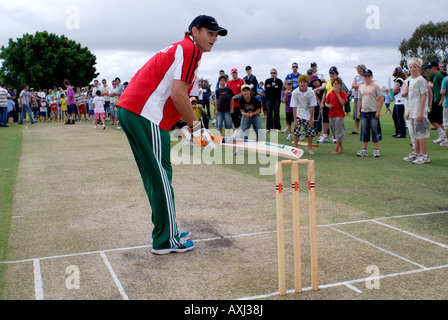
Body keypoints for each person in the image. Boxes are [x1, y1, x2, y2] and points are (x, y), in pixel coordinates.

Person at [117, 15, 227, 255]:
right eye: (210, 33)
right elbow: (179, 94)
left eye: (217, 35)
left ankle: (168, 230)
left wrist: (182, 126)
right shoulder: (190, 50)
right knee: (161, 179)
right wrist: (198, 129)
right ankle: (165, 240)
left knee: (159, 175)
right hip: (144, 114)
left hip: (135, 111)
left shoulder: (182, 48)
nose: (214, 38)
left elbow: (169, 92)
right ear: (195, 31)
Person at [402, 58, 431, 164]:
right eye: (410, 67)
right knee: (415, 134)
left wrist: (421, 112)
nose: (412, 69)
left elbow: (424, 95)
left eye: (414, 66)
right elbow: (411, 97)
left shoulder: (420, 80)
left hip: (420, 111)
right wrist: (409, 110)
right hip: (413, 110)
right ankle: (416, 153)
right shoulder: (410, 80)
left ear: (419, 68)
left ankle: (424, 155)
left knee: (421, 134)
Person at [357, 69, 385, 158]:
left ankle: (376, 150)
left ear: (371, 77)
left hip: (373, 112)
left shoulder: (375, 86)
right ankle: (364, 149)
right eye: (365, 76)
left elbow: (381, 97)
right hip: (364, 112)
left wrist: (378, 111)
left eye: (368, 76)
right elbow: (359, 99)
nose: (367, 78)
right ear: (363, 77)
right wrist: (358, 111)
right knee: (364, 131)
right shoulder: (361, 87)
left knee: (374, 130)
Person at [290, 75, 317, 155]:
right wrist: (295, 120)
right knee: (296, 131)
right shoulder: (295, 92)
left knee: (309, 131)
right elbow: (294, 106)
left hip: (308, 113)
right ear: (299, 83)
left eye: (304, 82)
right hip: (298, 112)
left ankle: (310, 148)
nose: (303, 84)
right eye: (301, 82)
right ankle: (295, 149)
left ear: (307, 83)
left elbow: (312, 106)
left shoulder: (311, 92)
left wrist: (311, 119)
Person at [426, 61, 446, 144]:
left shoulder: (439, 76)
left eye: (430, 68)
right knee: (437, 119)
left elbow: (443, 87)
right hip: (435, 99)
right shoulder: (435, 76)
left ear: (435, 67)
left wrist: (441, 100)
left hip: (439, 100)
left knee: (433, 117)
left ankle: (443, 134)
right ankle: (443, 134)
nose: (429, 70)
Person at [325, 77, 347, 155]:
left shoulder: (342, 93)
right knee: (334, 132)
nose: (336, 86)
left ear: (340, 85)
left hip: (339, 115)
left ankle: (337, 149)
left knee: (338, 132)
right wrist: (328, 106)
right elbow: (326, 102)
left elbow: (343, 103)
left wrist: (338, 94)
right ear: (332, 85)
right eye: (335, 84)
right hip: (331, 114)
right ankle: (341, 147)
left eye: (338, 84)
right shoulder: (330, 94)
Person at [227, 68, 245, 134]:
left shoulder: (241, 81)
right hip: (232, 104)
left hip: (240, 103)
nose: (234, 74)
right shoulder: (229, 82)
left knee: (243, 118)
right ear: (231, 74)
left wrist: (236, 97)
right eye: (233, 73)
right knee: (234, 119)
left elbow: (243, 91)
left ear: (237, 73)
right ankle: (237, 132)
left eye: (235, 72)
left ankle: (243, 131)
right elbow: (227, 92)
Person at [392, 67, 407, 138]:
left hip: (400, 101)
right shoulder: (402, 79)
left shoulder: (399, 80)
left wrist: (394, 91)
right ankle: (398, 131)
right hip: (398, 101)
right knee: (395, 116)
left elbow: (394, 90)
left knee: (399, 117)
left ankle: (402, 132)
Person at [350, 64, 366, 135]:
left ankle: (365, 128)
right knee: (356, 113)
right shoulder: (356, 77)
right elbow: (353, 86)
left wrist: (357, 86)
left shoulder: (366, 76)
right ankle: (356, 129)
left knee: (364, 113)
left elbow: (366, 86)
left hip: (364, 97)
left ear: (362, 69)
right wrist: (360, 86)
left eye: (358, 68)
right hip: (356, 96)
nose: (357, 70)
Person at [439, 74, 448, 147]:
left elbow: (443, 92)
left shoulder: (445, 79)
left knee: (446, 123)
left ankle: (447, 140)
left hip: (447, 104)